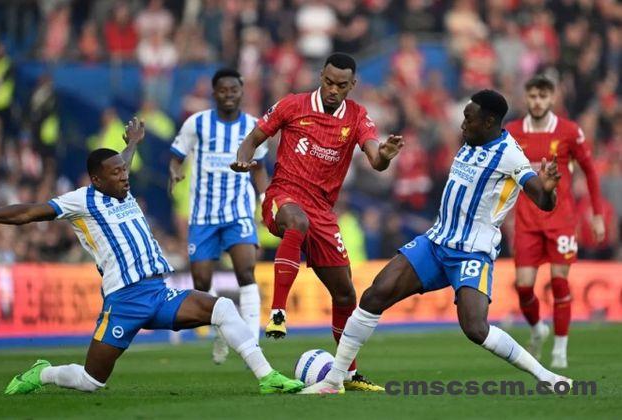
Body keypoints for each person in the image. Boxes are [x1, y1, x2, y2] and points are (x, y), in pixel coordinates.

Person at [0, 118, 303, 395]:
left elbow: (121, 162)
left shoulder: (120, 186)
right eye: (116, 173)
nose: (124, 175)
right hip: (123, 301)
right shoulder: (81, 201)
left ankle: (267, 377)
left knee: (223, 308)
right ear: (97, 180)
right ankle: (44, 373)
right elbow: (30, 212)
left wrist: (134, 142)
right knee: (91, 381)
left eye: (124, 171)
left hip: (158, 292)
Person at [301, 90, 572, 394]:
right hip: (436, 243)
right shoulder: (471, 141)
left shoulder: (510, 155)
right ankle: (335, 379)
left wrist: (548, 189)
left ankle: (546, 376)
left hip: (471, 254)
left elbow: (542, 199)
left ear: (489, 122)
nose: (462, 124)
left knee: (475, 328)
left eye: (469, 119)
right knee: (375, 294)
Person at [232, 53, 403, 391]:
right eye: (328, 82)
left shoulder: (357, 116)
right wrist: (242, 159)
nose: (333, 90)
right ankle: (278, 312)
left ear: (352, 85)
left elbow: (375, 159)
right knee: (297, 222)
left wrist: (384, 155)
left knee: (345, 295)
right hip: (284, 196)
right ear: (321, 76)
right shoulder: (292, 105)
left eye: (341, 85)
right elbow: (253, 139)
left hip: (323, 213)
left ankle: (349, 374)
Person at [168, 69, 268, 364]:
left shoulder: (254, 126)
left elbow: (260, 168)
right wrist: (175, 172)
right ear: (214, 93)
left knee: (246, 272)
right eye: (223, 90)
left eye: (233, 90)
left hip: (238, 212)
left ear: (241, 92)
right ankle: (222, 333)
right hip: (203, 216)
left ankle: (253, 342)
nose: (228, 95)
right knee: (201, 282)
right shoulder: (196, 123)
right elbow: (176, 156)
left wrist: (264, 199)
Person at [506, 75, 605, 368]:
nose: (537, 102)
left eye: (543, 96)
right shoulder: (512, 133)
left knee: (560, 282)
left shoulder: (569, 131)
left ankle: (560, 350)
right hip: (526, 221)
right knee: (524, 286)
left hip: (561, 220)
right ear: (526, 98)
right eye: (533, 96)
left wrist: (597, 214)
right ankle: (538, 328)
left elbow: (590, 171)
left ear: (552, 98)